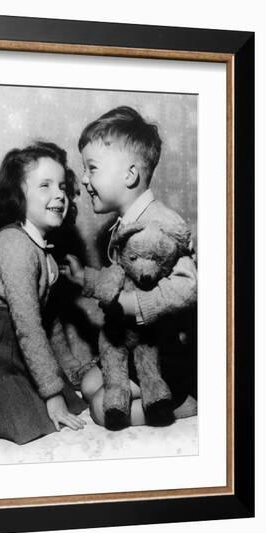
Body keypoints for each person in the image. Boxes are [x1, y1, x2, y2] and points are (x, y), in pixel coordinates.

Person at [61, 106, 198, 428]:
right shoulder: (126, 223)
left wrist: (132, 305)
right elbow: (120, 276)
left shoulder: (161, 223)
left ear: (129, 175)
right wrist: (85, 279)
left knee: (99, 408)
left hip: (163, 358)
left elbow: (189, 286)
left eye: (91, 168)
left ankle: (181, 402)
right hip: (132, 346)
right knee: (90, 384)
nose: (83, 179)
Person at [0, 141, 87, 445]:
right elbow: (28, 326)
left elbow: (47, 320)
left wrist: (69, 370)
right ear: (18, 198)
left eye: (62, 185)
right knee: (23, 416)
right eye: (45, 185)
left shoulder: (45, 252)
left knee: (68, 397)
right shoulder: (16, 247)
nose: (59, 194)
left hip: (11, 330)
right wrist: (52, 394)